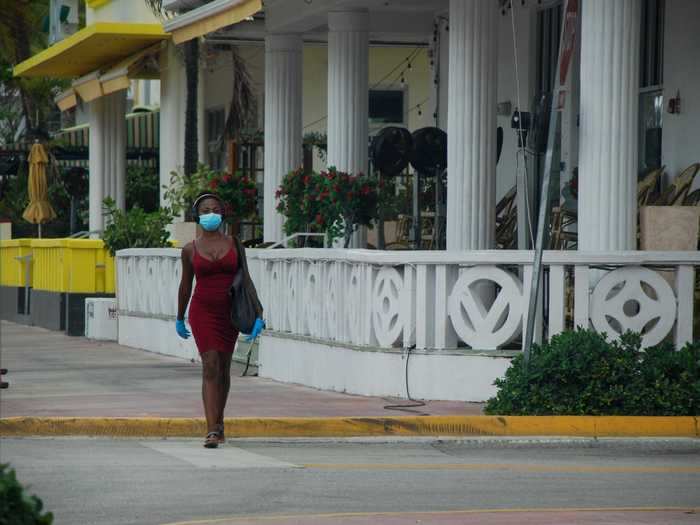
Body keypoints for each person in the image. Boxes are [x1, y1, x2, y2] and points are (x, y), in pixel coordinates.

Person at [175, 192, 264, 448]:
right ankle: (212, 430)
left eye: (214, 209)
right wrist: (179, 318)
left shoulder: (235, 244)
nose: (210, 213)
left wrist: (259, 314)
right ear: (197, 216)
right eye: (205, 210)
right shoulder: (190, 250)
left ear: (222, 214)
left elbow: (246, 280)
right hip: (203, 311)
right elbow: (184, 286)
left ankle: (219, 423)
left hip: (230, 311)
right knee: (210, 365)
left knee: (224, 369)